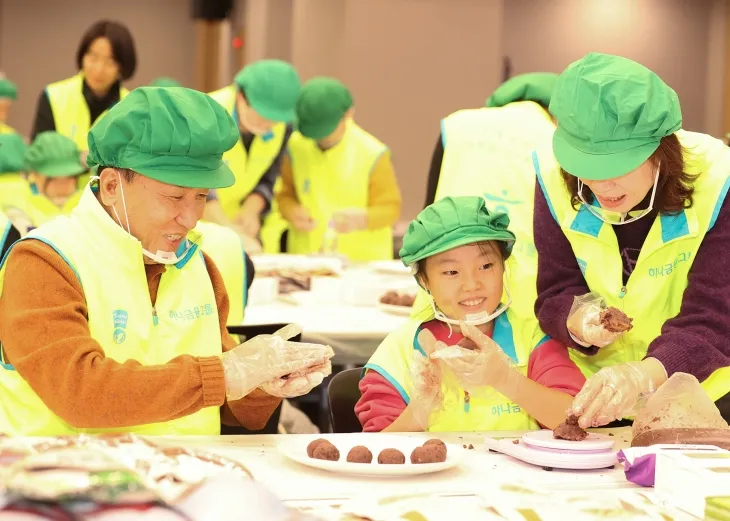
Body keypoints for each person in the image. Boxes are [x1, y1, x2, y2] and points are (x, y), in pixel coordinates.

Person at [0, 86, 333, 435]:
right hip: (64, 482)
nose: (191, 218)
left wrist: (263, 382)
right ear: (112, 186)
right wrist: (225, 374)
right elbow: (80, 393)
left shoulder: (198, 266)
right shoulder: (45, 261)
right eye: (174, 197)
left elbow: (232, 409)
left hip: (190, 480)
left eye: (201, 196)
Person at [532, 52, 730, 429]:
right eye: (586, 167)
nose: (602, 185)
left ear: (660, 148)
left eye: (618, 166)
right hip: (593, 395)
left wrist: (640, 376)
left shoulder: (720, 181)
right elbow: (554, 290)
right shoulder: (553, 177)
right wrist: (579, 319)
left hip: (705, 399)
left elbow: (715, 319)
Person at [356, 196, 584, 432]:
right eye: (451, 272)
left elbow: (576, 420)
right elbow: (376, 453)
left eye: (486, 266)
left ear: (503, 267)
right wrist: (420, 409)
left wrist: (506, 379)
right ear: (424, 281)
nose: (471, 284)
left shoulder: (533, 339)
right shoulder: (398, 353)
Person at [415, 73, 558, 326]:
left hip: (445, 291)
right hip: (523, 296)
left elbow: (427, 214)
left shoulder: (458, 125)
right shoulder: (554, 136)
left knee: (432, 358)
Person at [277, 77, 402, 262]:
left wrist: (363, 219)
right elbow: (284, 195)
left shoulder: (372, 153)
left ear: (348, 114)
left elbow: (390, 209)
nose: (319, 138)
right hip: (306, 261)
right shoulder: (296, 146)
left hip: (360, 264)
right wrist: (291, 211)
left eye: (325, 129)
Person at [206, 60, 300, 253]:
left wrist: (251, 209)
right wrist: (231, 233)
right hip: (200, 228)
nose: (267, 125)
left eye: (274, 120)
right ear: (241, 98)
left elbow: (269, 177)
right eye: (261, 116)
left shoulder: (283, 127)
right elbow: (196, 185)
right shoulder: (205, 114)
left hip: (238, 229)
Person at [30, 20, 136, 154]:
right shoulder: (53, 96)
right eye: (93, 57)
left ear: (123, 66)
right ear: (82, 56)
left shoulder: (131, 107)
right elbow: (39, 157)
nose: (99, 69)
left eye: (110, 62)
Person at [0, 132, 87, 237]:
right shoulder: (15, 202)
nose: (64, 187)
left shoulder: (87, 203)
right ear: (34, 174)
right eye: (53, 179)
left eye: (70, 177)